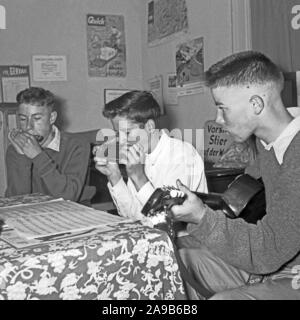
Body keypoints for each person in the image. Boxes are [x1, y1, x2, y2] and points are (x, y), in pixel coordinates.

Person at [171, 51, 300, 300]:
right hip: (278, 261)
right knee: (177, 261)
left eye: (222, 108)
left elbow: (268, 250)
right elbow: (240, 203)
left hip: (286, 267)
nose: (218, 119)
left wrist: (200, 217)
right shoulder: (269, 144)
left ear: (256, 104)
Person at [94, 90, 207, 222]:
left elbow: (168, 220)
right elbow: (131, 215)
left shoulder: (182, 154)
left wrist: (139, 177)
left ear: (149, 126)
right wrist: (114, 176)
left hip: (185, 238)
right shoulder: (140, 155)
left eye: (127, 132)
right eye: (118, 134)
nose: (122, 141)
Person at [5, 87, 90, 202]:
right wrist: (22, 157)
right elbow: (16, 201)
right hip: (34, 215)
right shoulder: (14, 150)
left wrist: (38, 156)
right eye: (23, 119)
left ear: (52, 118)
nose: (29, 126)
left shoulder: (76, 145)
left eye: (37, 118)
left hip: (71, 213)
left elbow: (69, 197)